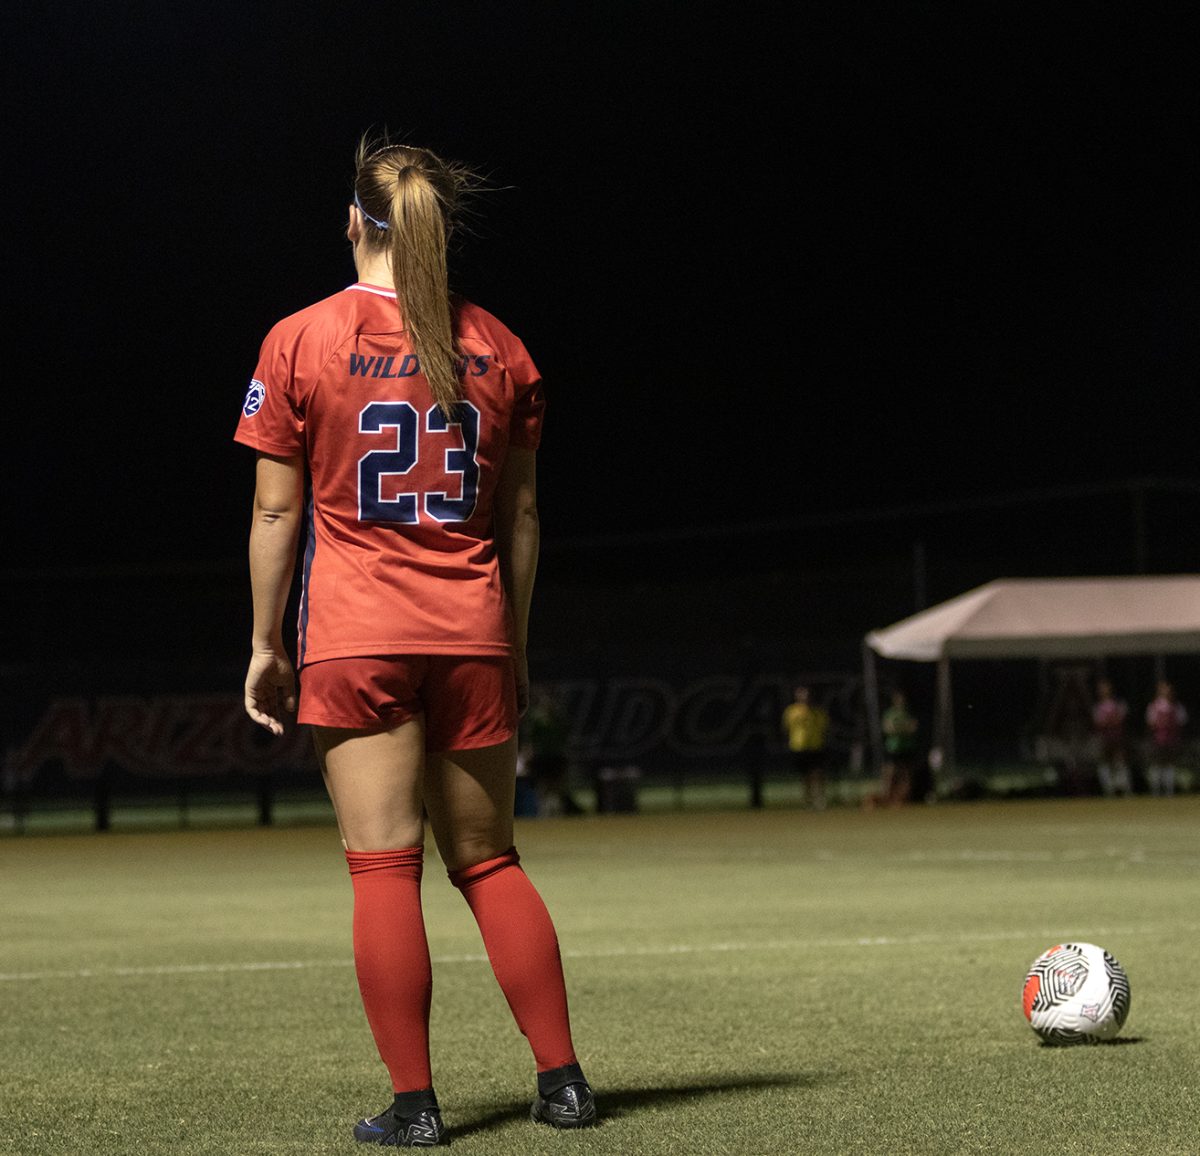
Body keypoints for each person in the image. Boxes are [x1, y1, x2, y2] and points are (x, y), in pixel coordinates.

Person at [236, 138, 594, 1146]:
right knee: (489, 862)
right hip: (472, 631)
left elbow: (276, 516)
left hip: (357, 635)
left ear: (357, 221)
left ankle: (416, 1104)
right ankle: (563, 1082)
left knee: (383, 867)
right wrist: (513, 647)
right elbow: (520, 519)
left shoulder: (301, 338)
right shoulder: (501, 346)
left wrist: (266, 641)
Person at [781, 685, 830, 809]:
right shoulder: (791, 711)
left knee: (818, 773)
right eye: (802, 695)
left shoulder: (818, 712)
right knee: (805, 776)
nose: (805, 697)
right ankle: (807, 800)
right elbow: (785, 728)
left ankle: (820, 799)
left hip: (816, 746)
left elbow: (825, 728)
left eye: (807, 695)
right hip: (799, 747)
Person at [1145, 680, 1187, 797]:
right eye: (1164, 689)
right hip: (1158, 739)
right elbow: (1150, 723)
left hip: (1172, 739)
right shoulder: (1154, 706)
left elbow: (1181, 722)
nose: (1167, 692)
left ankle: (1169, 790)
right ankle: (1156, 790)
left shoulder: (1177, 706)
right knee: (1157, 764)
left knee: (1170, 763)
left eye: (1169, 689)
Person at [877, 689, 919, 807]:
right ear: (894, 701)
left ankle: (904, 799)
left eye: (902, 699)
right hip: (893, 748)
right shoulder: (890, 713)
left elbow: (913, 728)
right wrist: (904, 728)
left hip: (907, 747)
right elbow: (888, 729)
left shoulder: (908, 713)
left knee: (907, 774)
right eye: (898, 699)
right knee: (890, 773)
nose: (900, 701)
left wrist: (898, 728)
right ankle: (887, 798)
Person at [1091, 679, 1132, 796]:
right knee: (1105, 761)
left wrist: (1110, 722)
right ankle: (1108, 788)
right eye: (1101, 689)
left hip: (1118, 736)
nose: (1103, 691)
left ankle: (1124, 787)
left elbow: (1121, 719)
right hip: (1104, 738)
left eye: (1105, 688)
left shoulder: (1119, 703)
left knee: (1120, 761)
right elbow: (1098, 722)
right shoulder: (1097, 706)